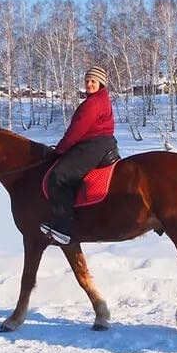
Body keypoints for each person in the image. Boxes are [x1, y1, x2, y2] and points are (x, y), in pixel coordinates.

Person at [40, 65, 119, 245]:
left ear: (101, 83)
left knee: (58, 176)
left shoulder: (93, 103)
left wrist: (59, 150)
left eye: (93, 81)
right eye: (87, 81)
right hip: (99, 142)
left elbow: (76, 131)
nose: (89, 84)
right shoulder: (99, 99)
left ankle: (63, 227)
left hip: (94, 145)